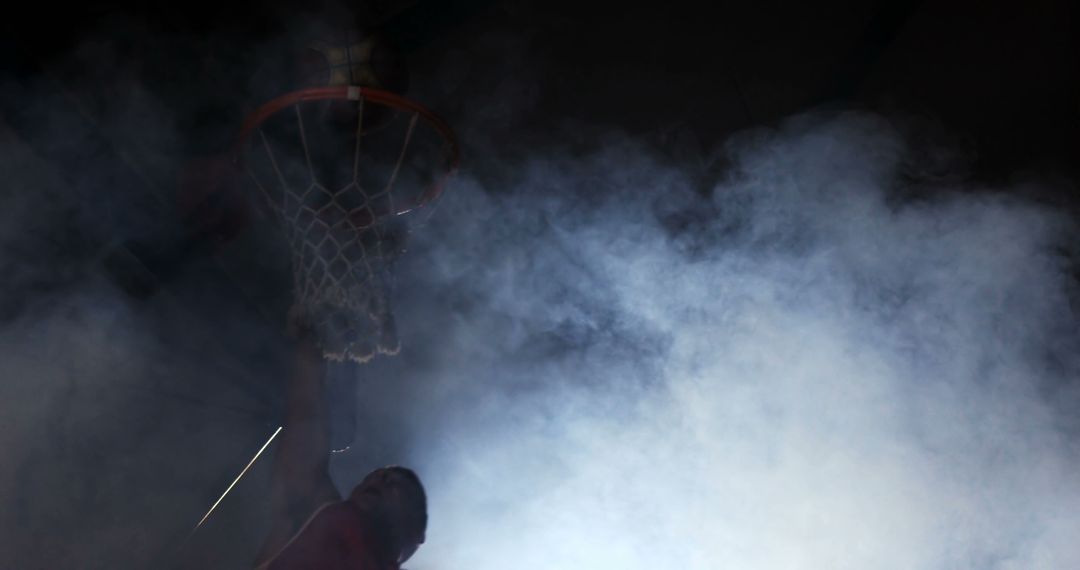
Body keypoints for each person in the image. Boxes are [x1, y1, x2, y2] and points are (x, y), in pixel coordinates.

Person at [254, 326, 426, 569]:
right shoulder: (322, 517)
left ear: (417, 534)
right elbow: (304, 425)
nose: (376, 481)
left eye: (394, 485)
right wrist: (312, 340)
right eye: (372, 478)